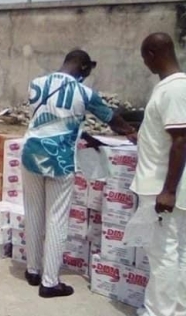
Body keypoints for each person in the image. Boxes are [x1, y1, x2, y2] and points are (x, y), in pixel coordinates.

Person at [21, 49, 135, 298]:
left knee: (33, 212)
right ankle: (50, 282)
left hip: (30, 153)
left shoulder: (36, 84)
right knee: (56, 219)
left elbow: (51, 120)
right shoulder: (84, 92)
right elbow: (112, 119)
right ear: (84, 68)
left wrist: (86, 136)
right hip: (59, 160)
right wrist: (132, 133)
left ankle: (32, 270)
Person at [129, 33, 186, 316]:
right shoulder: (176, 87)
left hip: (161, 187)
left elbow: (180, 140)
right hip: (170, 185)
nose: (145, 64)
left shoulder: (173, 89)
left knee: (162, 254)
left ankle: (159, 312)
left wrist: (168, 190)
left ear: (152, 54)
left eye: (144, 58)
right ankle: (176, 309)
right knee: (177, 254)